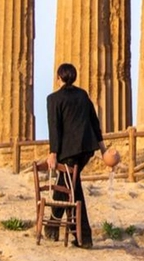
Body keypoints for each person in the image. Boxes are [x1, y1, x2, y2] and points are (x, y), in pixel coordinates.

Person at [45, 63, 107, 248]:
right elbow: (94, 121)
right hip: (86, 149)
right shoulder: (82, 95)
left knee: (69, 187)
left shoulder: (53, 98)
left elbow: (54, 127)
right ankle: (68, 232)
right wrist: (103, 148)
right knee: (71, 187)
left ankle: (78, 235)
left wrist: (53, 153)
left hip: (68, 151)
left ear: (58, 78)